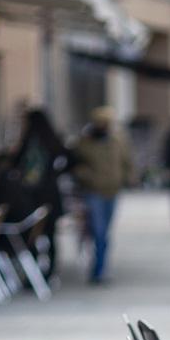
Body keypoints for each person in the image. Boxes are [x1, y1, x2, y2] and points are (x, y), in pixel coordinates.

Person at [71, 107, 133, 284]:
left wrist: (126, 178)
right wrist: (86, 177)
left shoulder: (117, 141)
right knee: (98, 231)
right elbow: (75, 164)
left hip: (112, 190)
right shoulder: (85, 142)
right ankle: (99, 270)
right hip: (93, 191)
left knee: (105, 232)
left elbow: (126, 161)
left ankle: (101, 266)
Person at [5, 109, 69, 276]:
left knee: (31, 234)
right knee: (50, 234)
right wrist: (55, 175)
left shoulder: (29, 141)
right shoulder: (52, 140)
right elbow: (68, 159)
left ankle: (33, 272)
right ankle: (50, 271)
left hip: (31, 196)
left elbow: (15, 162)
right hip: (50, 195)